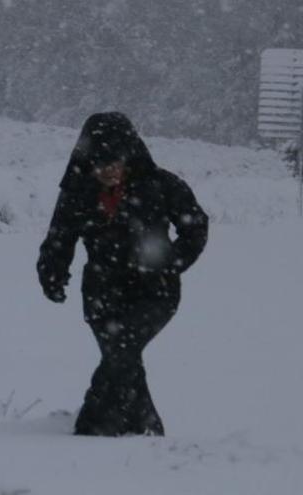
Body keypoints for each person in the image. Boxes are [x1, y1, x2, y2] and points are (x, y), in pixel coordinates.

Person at [36, 112, 208, 436]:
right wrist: (52, 274)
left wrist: (170, 262)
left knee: (121, 352)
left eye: (115, 162)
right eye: (100, 164)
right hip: (102, 294)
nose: (109, 171)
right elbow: (60, 237)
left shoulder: (162, 185)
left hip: (155, 292)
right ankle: (146, 430)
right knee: (124, 362)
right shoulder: (78, 192)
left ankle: (92, 425)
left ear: (129, 155)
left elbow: (196, 227)